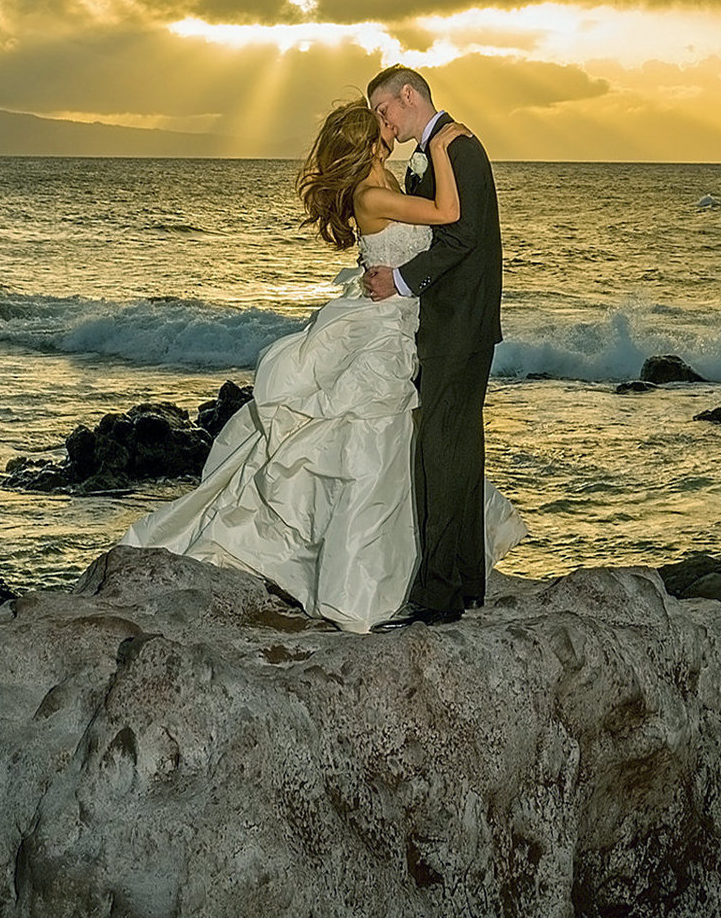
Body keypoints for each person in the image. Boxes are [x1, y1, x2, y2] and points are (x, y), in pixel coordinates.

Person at [118, 98, 525, 633]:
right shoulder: (373, 192)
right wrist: (445, 149)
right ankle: (359, 574)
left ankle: (413, 568)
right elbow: (450, 216)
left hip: (399, 323)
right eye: (381, 120)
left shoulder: (389, 182)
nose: (390, 122)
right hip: (381, 330)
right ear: (368, 139)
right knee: (371, 439)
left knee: (395, 439)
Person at [362, 65, 503, 629]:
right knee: (459, 448)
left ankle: (438, 596)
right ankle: (466, 582)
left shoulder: (459, 149)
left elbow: (461, 238)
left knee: (438, 453)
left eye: (384, 110)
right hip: (461, 324)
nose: (383, 121)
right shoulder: (435, 153)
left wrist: (398, 280)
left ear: (409, 96)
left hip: (456, 325)